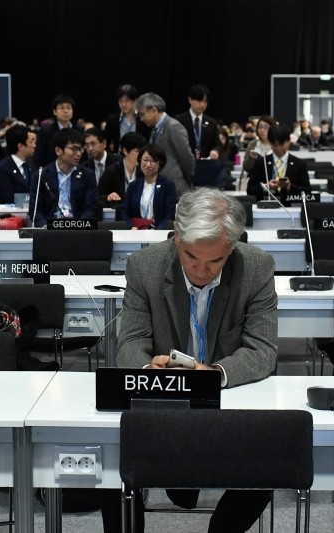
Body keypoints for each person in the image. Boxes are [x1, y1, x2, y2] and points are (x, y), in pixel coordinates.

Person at [116, 187, 277, 533]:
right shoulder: (144, 267)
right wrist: (148, 372)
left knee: (271, 456)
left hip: (228, 405)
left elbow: (263, 349)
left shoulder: (257, 267)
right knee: (112, 455)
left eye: (216, 260)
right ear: (176, 237)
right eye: (191, 257)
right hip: (162, 406)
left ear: (232, 249)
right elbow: (129, 341)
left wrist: (215, 373)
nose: (202, 270)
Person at [29, 129, 97, 227]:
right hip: (49, 230)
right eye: (73, 149)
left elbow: (89, 209)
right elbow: (35, 210)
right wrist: (45, 227)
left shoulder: (87, 175)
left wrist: (78, 227)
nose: (78, 154)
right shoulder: (41, 175)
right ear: (58, 150)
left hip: (77, 230)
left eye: (80, 149)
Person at [136, 92, 195, 198]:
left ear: (154, 110)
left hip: (176, 188)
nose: (141, 118)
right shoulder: (155, 130)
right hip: (161, 188)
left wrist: (187, 180)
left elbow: (187, 159)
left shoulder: (174, 127)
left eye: (142, 114)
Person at [246, 122, 311, 203]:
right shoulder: (261, 163)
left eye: (282, 144)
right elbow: (250, 190)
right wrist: (266, 186)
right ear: (270, 142)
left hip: (292, 208)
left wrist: (289, 186)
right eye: (274, 145)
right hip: (266, 208)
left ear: (289, 141)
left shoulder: (300, 164)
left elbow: (307, 191)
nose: (279, 148)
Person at [119, 144, 176, 229]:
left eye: (153, 161)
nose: (148, 165)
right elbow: (124, 211)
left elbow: (169, 215)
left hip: (158, 233)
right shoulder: (133, 186)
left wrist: (157, 230)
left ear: (160, 163)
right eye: (145, 160)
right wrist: (131, 226)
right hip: (136, 232)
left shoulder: (167, 186)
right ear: (140, 160)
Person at [97, 131, 145, 220]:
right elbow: (97, 197)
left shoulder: (143, 172)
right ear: (125, 151)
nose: (142, 156)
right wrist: (108, 197)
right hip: (117, 219)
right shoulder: (111, 171)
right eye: (137, 152)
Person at [174, 84, 222, 160]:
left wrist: (215, 151)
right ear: (190, 100)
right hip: (185, 164)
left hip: (205, 164)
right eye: (199, 101)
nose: (202, 104)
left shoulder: (212, 123)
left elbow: (218, 144)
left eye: (205, 101)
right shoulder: (179, 120)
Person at [0, 124, 36, 204]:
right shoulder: (3, 169)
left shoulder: (31, 165)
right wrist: (34, 200)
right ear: (20, 146)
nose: (34, 145)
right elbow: (9, 198)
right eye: (31, 142)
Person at [103, 84, 151, 154]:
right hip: (118, 158)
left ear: (135, 100)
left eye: (127, 101)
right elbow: (105, 141)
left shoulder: (143, 118)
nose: (123, 104)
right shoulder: (113, 120)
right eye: (120, 101)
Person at [35, 94, 77, 168]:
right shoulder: (46, 132)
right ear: (54, 111)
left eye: (69, 108)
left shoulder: (79, 130)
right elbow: (40, 156)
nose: (66, 111)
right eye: (62, 108)